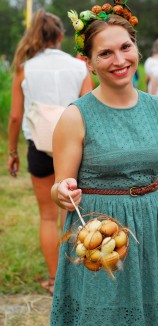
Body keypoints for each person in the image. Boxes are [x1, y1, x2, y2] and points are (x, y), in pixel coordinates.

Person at [50, 4, 158, 325]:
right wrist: (62, 192)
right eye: (105, 53)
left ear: (136, 47)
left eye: (125, 47)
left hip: (152, 230)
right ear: (89, 63)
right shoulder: (75, 116)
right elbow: (60, 187)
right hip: (99, 237)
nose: (120, 60)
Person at [7, 9, 93, 294]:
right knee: (76, 213)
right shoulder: (79, 67)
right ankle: (83, 275)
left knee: (47, 216)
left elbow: (15, 117)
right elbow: (91, 110)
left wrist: (12, 151)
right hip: (75, 148)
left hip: (39, 147)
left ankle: (56, 280)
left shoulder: (25, 67)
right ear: (59, 36)